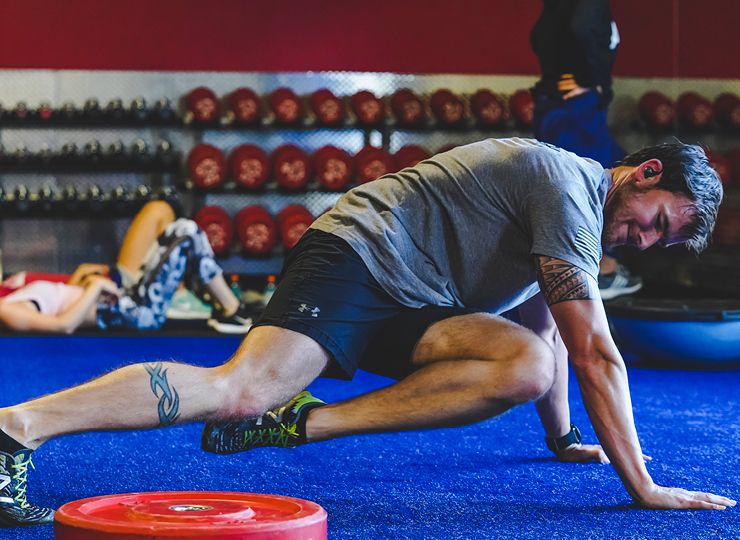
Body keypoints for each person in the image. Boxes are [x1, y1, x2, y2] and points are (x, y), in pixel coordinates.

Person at [0, 138, 732, 528]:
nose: (643, 239)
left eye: (660, 243)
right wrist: (645, 487)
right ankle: (17, 426)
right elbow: (596, 350)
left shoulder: (576, 222)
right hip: (357, 256)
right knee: (241, 389)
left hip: (415, 297)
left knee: (524, 364)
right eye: (657, 221)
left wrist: (561, 436)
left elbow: (548, 322)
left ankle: (299, 425)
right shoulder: (567, 186)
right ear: (646, 172)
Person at [0, 201, 252, 337]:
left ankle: (230, 310)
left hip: (125, 299)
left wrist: (86, 282)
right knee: (185, 231)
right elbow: (64, 325)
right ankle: (232, 311)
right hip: (133, 311)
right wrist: (96, 287)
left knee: (179, 228)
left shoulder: (9, 293)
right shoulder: (7, 309)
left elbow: (64, 302)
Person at [529, 0, 643, 300]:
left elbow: (539, 36)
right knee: (595, 185)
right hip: (574, 105)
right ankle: (601, 273)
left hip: (554, 100)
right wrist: (593, 81)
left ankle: (587, 272)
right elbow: (580, 29)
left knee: (574, 184)